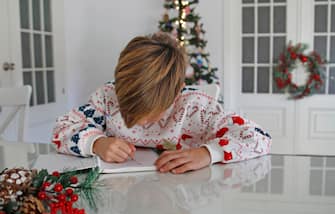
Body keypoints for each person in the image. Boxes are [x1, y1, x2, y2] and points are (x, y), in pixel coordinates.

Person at [52, 32, 271, 174]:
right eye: (131, 108)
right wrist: (96, 143)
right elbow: (61, 129)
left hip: (178, 190)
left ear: (177, 92)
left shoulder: (196, 108)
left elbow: (259, 137)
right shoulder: (107, 98)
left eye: (150, 112)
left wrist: (207, 153)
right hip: (123, 189)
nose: (141, 120)